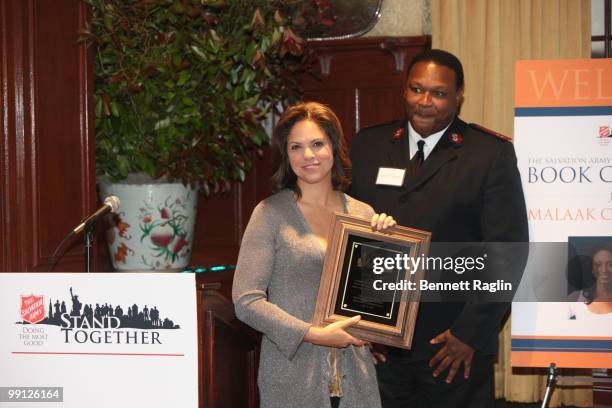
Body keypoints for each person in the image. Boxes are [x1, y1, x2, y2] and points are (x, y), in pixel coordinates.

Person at [349, 49, 529, 407]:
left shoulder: (488, 154)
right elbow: (349, 237)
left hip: (451, 348)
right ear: (405, 90)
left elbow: (507, 252)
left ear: (460, 95)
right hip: (379, 348)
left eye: (439, 93)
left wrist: (470, 334)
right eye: (417, 89)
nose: (425, 102)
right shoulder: (367, 146)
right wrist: (359, 326)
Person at [232, 102, 396, 408]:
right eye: (296, 147)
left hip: (356, 380)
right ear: (286, 155)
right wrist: (314, 334)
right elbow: (246, 300)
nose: (308, 155)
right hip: (292, 379)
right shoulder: (270, 214)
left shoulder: (363, 214)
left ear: (333, 146)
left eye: (317, 144)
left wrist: (388, 245)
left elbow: (382, 302)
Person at [569, 246, 612, 316]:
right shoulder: (575, 297)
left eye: (610, 265)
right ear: (592, 269)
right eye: (598, 265)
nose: (604, 270)